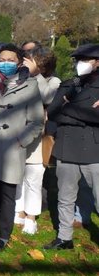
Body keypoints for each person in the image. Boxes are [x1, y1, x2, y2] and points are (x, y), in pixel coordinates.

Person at [0, 44, 44, 251]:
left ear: (19, 62)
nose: (6, 63)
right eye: (3, 59)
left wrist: (21, 141)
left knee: (7, 195)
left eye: (11, 60)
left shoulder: (29, 85)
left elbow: (36, 120)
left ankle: (3, 235)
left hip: (12, 148)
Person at [44, 44, 99, 250]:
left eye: (86, 59)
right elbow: (53, 113)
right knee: (65, 197)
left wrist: (68, 109)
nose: (80, 64)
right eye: (78, 60)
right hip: (66, 147)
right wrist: (81, 115)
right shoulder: (69, 84)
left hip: (93, 150)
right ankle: (64, 237)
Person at [15, 47, 61, 235]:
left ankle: (31, 216)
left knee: (33, 177)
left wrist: (36, 75)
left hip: (38, 137)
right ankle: (18, 210)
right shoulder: (22, 77)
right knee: (17, 175)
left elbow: (46, 97)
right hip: (19, 132)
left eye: (31, 60)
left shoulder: (54, 81)